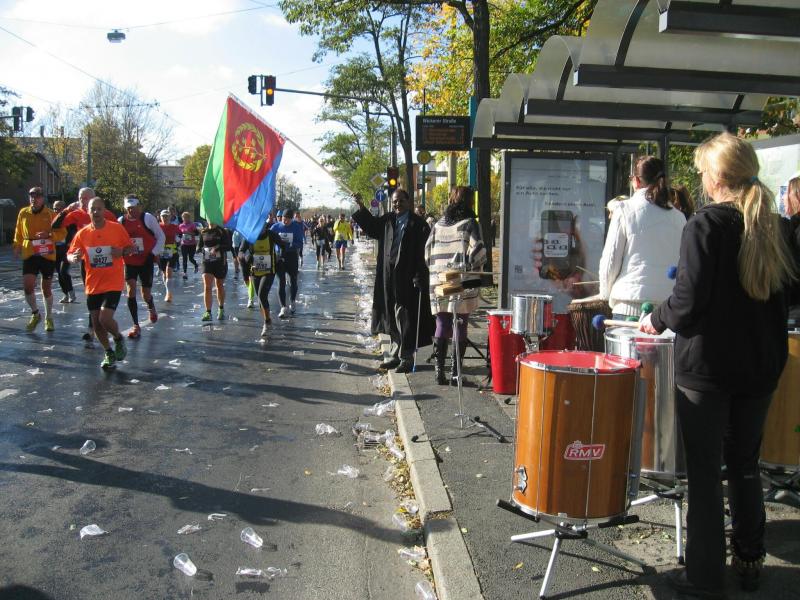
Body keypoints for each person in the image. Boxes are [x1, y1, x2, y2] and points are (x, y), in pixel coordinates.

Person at [639, 132, 796, 598]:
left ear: (717, 177)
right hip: (761, 365)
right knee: (745, 466)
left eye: (704, 171)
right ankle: (749, 559)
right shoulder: (776, 225)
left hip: (708, 370)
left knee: (706, 475)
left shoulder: (706, 225)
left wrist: (655, 318)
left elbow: (687, 303)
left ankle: (704, 577)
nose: (701, 179)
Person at [352, 188, 435, 373]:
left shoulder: (418, 224)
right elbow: (372, 227)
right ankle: (395, 354)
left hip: (408, 278)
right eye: (395, 201)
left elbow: (425, 253)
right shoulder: (388, 220)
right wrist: (361, 206)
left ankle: (406, 358)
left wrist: (420, 276)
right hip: (388, 276)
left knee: (405, 318)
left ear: (408, 202)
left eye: (401, 201)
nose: (397, 204)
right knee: (390, 316)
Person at [598, 156, 686, 320]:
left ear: (637, 181)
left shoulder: (624, 210)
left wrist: (605, 294)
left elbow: (611, 260)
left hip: (628, 305)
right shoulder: (680, 218)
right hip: (667, 309)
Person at [425, 186, 487, 385]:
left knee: (442, 323)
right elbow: (478, 252)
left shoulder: (438, 224)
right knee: (460, 323)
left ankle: (439, 372)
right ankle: (455, 374)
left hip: (438, 279)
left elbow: (427, 253)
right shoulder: (470, 223)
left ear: (452, 201)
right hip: (462, 279)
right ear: (469, 202)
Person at [67, 197, 134, 370]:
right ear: (88, 211)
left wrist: (122, 251)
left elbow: (131, 248)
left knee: (105, 318)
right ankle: (108, 352)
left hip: (113, 281)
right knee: (96, 323)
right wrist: (73, 257)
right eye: (93, 209)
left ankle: (118, 338)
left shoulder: (116, 228)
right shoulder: (82, 233)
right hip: (93, 283)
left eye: (99, 209)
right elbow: (70, 253)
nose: (96, 212)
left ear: (104, 211)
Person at [52, 187, 117, 347]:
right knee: (91, 295)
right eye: (81, 198)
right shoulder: (77, 214)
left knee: (103, 297)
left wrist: (118, 250)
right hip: (88, 261)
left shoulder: (107, 214)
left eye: (87, 198)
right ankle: (92, 329)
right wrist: (66, 210)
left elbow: (119, 233)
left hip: (107, 262)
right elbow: (55, 225)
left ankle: (104, 325)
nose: (83, 201)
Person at [119, 195, 165, 338]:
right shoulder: (121, 221)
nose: (131, 211)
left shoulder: (147, 218)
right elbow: (116, 240)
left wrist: (153, 253)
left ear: (139, 206)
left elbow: (161, 237)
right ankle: (136, 325)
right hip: (130, 261)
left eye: (134, 207)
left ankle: (151, 306)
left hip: (146, 260)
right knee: (131, 290)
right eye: (128, 208)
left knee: (145, 294)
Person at [13, 186, 58, 333]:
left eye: (37, 196)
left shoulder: (50, 214)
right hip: (29, 252)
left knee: (46, 288)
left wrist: (49, 235)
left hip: (46, 253)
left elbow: (61, 232)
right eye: (32, 196)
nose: (34, 199)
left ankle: (49, 317)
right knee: (28, 286)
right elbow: (18, 231)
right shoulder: (23, 212)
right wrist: (17, 245)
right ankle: (35, 313)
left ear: (43, 198)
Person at [238, 221, 288, 336]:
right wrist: (245, 256)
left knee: (262, 295)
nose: (261, 229)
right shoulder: (250, 236)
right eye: (259, 226)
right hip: (255, 271)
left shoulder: (271, 235)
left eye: (263, 226)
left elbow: (283, 245)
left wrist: (280, 256)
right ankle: (267, 319)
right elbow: (240, 252)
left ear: (266, 226)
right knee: (260, 299)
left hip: (269, 271)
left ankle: (266, 323)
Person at [270, 208, 305, 318]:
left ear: (291, 219)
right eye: (283, 219)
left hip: (291, 256)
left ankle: (292, 301)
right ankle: (283, 307)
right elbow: (268, 240)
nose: (285, 221)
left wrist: (291, 244)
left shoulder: (296, 227)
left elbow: (300, 243)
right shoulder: (275, 227)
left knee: (293, 281)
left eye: (287, 220)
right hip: (279, 257)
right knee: (281, 282)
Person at [197, 221, 231, 321]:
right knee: (207, 286)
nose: (210, 220)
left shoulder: (222, 231)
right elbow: (199, 245)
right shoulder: (204, 231)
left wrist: (217, 247)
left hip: (220, 262)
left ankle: (221, 308)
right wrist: (200, 249)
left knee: (219, 285)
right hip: (207, 262)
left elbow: (229, 246)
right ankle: (208, 312)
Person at [52, 200, 76, 303]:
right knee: (59, 273)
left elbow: (74, 231)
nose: (56, 211)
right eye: (54, 208)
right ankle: (65, 294)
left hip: (67, 249)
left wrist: (71, 242)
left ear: (64, 208)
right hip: (55, 249)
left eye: (59, 208)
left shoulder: (69, 219)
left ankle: (71, 293)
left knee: (63, 271)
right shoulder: (53, 219)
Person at [157, 210, 181, 303]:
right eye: (163, 216)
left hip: (172, 251)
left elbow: (180, 235)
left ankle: (168, 293)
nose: (165, 218)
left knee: (168, 271)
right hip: (161, 251)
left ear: (170, 217)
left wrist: (178, 239)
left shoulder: (174, 226)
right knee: (164, 273)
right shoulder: (157, 227)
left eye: (167, 216)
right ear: (160, 217)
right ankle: (168, 290)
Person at [178, 211, 199, 279]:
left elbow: (197, 234)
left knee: (190, 258)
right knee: (184, 258)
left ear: (189, 218)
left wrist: (189, 233)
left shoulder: (192, 225)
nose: (185, 219)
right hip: (184, 244)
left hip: (192, 244)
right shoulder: (181, 226)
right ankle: (185, 273)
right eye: (184, 217)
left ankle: (196, 265)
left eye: (186, 217)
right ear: (182, 218)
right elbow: (179, 235)